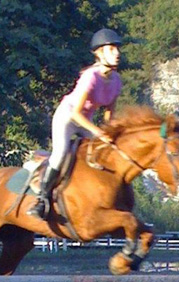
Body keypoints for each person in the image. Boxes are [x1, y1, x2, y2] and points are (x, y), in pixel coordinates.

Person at [27, 28, 123, 219]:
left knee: (104, 152)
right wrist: (99, 132)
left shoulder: (116, 80)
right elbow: (76, 114)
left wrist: (109, 133)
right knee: (60, 153)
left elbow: (109, 113)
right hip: (68, 117)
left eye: (117, 49)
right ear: (99, 53)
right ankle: (41, 200)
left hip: (86, 120)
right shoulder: (91, 76)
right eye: (112, 49)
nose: (117, 53)